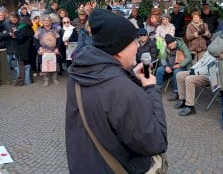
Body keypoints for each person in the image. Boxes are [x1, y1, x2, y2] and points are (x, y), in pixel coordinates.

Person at [66, 9, 167, 173]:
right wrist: (150, 88)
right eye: (134, 42)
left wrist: (129, 76)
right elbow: (156, 141)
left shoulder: (78, 73)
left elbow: (104, 98)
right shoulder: (122, 90)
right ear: (119, 49)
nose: (137, 46)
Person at [174, 51, 215, 116]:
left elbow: (211, 67)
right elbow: (201, 60)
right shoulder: (211, 48)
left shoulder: (220, 51)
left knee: (189, 79)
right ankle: (183, 99)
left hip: (211, 75)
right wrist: (193, 68)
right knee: (179, 75)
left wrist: (196, 72)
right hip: (199, 71)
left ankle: (190, 106)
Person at [156, 34, 192, 101]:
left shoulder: (181, 45)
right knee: (159, 70)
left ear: (174, 41)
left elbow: (189, 58)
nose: (170, 45)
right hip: (171, 65)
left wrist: (180, 65)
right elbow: (163, 58)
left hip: (182, 65)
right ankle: (158, 90)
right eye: (168, 44)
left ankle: (176, 93)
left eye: (171, 43)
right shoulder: (167, 47)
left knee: (176, 72)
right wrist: (166, 66)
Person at [34, 15, 61, 87]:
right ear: (42, 21)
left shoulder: (54, 30)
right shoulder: (39, 30)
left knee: (55, 65)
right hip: (43, 52)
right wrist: (39, 48)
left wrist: (57, 48)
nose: (46, 22)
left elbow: (59, 40)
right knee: (44, 66)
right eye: (44, 20)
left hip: (53, 51)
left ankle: (54, 79)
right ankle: (46, 80)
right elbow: (35, 40)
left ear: (50, 21)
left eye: (48, 20)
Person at [14, 17, 35, 86]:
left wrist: (16, 32)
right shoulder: (31, 29)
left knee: (21, 66)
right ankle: (30, 79)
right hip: (29, 50)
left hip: (22, 50)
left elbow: (20, 39)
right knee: (29, 65)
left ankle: (21, 81)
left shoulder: (23, 29)